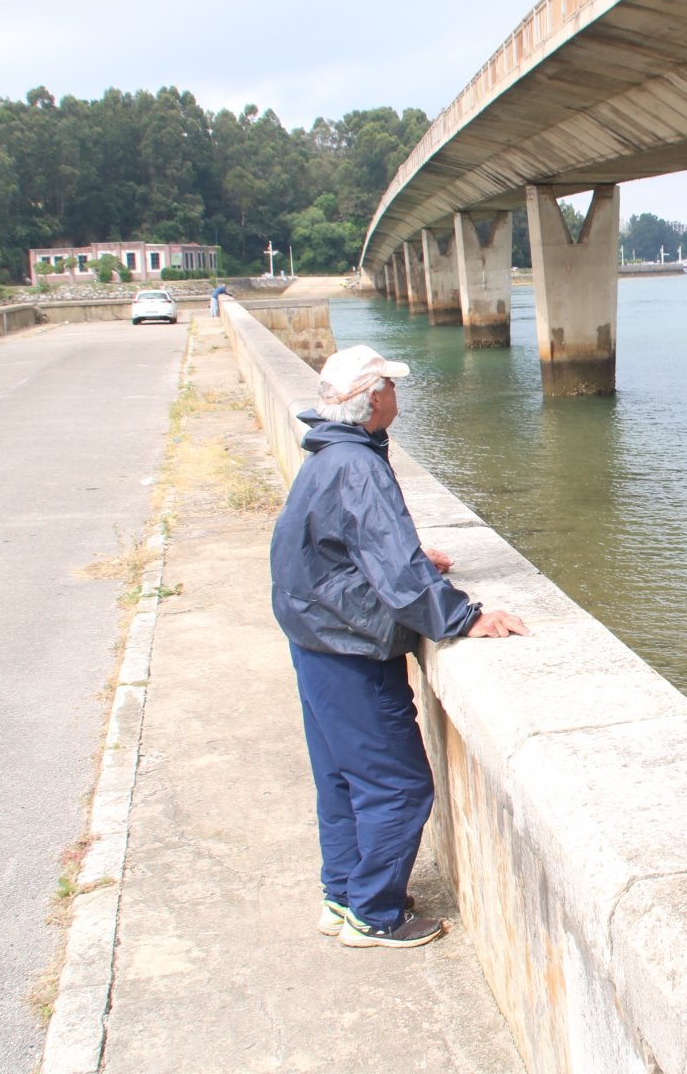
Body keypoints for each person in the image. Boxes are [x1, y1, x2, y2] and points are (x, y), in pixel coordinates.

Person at [269, 344, 529, 949]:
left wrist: (408, 557)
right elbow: (402, 578)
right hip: (349, 647)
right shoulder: (357, 466)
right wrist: (465, 616)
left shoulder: (330, 455)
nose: (395, 393)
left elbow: (346, 545)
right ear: (372, 399)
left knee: (340, 779)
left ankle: (341, 896)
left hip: (314, 640)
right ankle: (375, 914)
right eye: (389, 384)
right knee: (398, 785)